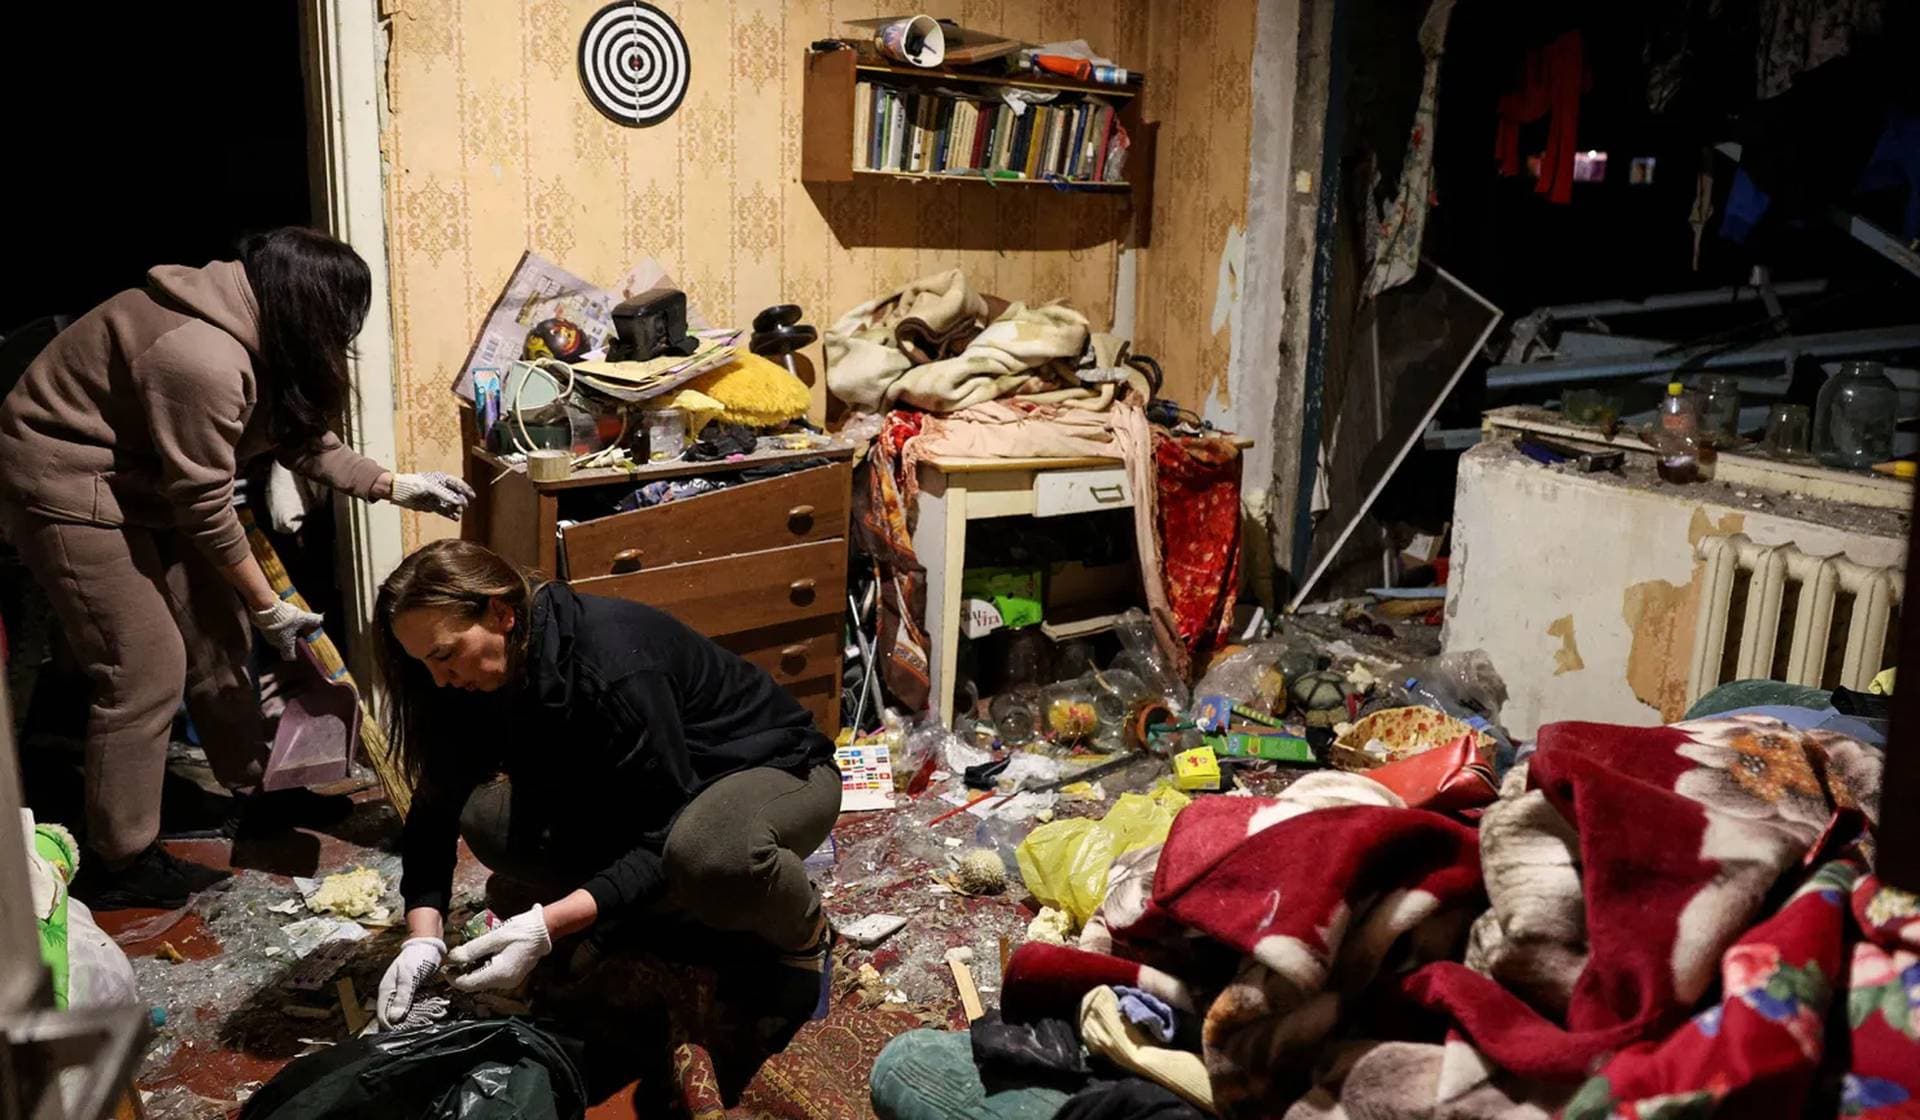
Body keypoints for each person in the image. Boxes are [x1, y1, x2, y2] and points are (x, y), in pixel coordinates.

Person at [0, 228, 476, 909]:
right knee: (144, 665)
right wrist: (266, 601)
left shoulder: (267, 327)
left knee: (216, 640)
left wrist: (391, 484)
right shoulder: (202, 358)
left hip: (148, 483)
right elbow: (205, 502)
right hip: (68, 480)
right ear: (306, 306)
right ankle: (122, 860)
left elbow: (302, 438)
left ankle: (256, 789)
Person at [371, 540, 842, 1029]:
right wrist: (422, 934)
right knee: (486, 819)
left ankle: (805, 937)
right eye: (423, 663)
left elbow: (664, 828)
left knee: (709, 856)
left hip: (774, 772)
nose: (440, 679)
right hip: (654, 792)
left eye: (445, 655)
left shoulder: (611, 665)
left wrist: (548, 925)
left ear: (501, 613)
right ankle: (656, 914)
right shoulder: (473, 675)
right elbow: (434, 807)